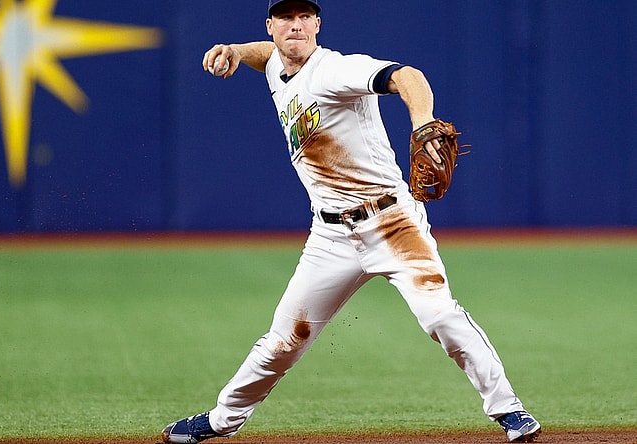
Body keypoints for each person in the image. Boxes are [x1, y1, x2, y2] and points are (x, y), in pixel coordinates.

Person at [161, 1, 541, 442]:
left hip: (391, 223)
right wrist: (235, 50)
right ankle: (221, 419)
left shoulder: (335, 71)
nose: (296, 25)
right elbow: (268, 56)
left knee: (440, 316)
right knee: (283, 342)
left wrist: (423, 123)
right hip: (330, 236)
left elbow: (407, 76)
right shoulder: (276, 66)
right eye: (286, 17)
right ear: (271, 25)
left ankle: (509, 409)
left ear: (318, 24)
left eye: (305, 16)